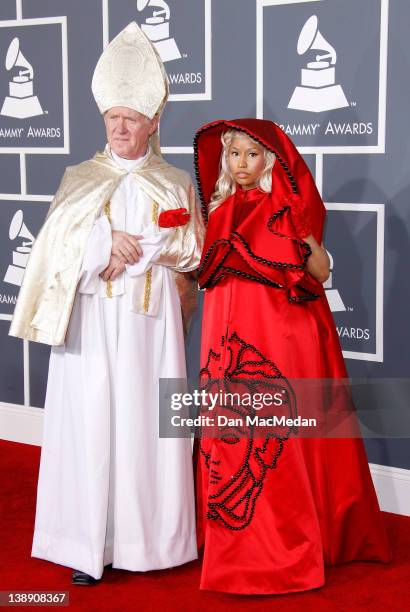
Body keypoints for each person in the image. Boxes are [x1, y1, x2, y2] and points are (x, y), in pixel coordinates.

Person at [9, 23, 203, 585]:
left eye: (131, 118)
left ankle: (150, 544)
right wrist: (100, 243)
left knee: (144, 425)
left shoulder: (173, 183)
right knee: (91, 425)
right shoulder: (79, 179)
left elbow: (191, 250)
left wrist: (140, 250)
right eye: (113, 118)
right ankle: (83, 543)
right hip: (92, 322)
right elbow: (52, 248)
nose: (120, 127)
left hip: (150, 327)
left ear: (152, 123)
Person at [193, 118, 391, 595]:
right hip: (227, 337)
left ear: (272, 162)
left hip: (279, 336)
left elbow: (320, 272)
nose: (241, 164)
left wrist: (305, 240)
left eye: (252, 155)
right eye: (234, 154)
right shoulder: (217, 210)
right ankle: (228, 540)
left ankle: (286, 542)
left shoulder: (289, 209)